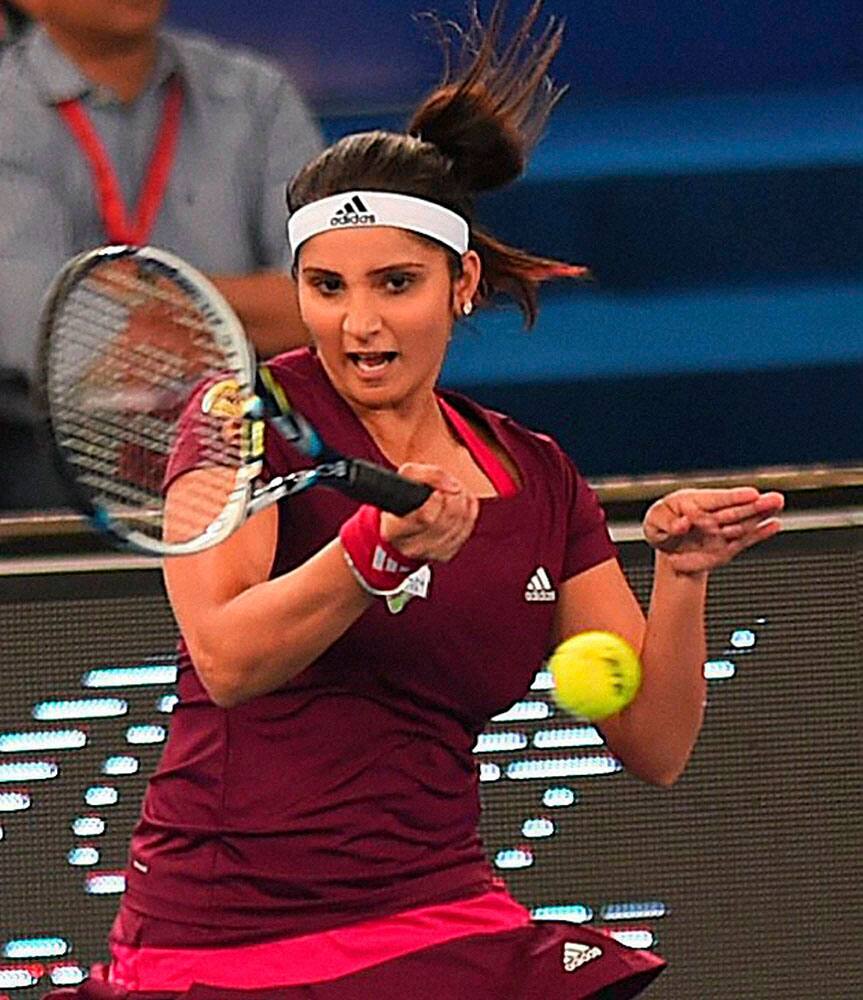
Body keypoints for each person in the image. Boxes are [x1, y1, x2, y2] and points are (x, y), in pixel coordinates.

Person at [45, 2, 784, 998]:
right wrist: (374, 555)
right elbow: (225, 655)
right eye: (326, 287)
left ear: (461, 283)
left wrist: (681, 579)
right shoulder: (242, 415)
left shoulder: (536, 474)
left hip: (442, 913)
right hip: (227, 935)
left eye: (394, 283)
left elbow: (652, 742)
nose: (359, 322)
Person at [0, 0, 322, 508]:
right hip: (50, 467)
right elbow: (39, 342)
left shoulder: (258, 95)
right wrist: (238, 311)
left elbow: (319, 309)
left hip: (247, 444)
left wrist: (140, 295)